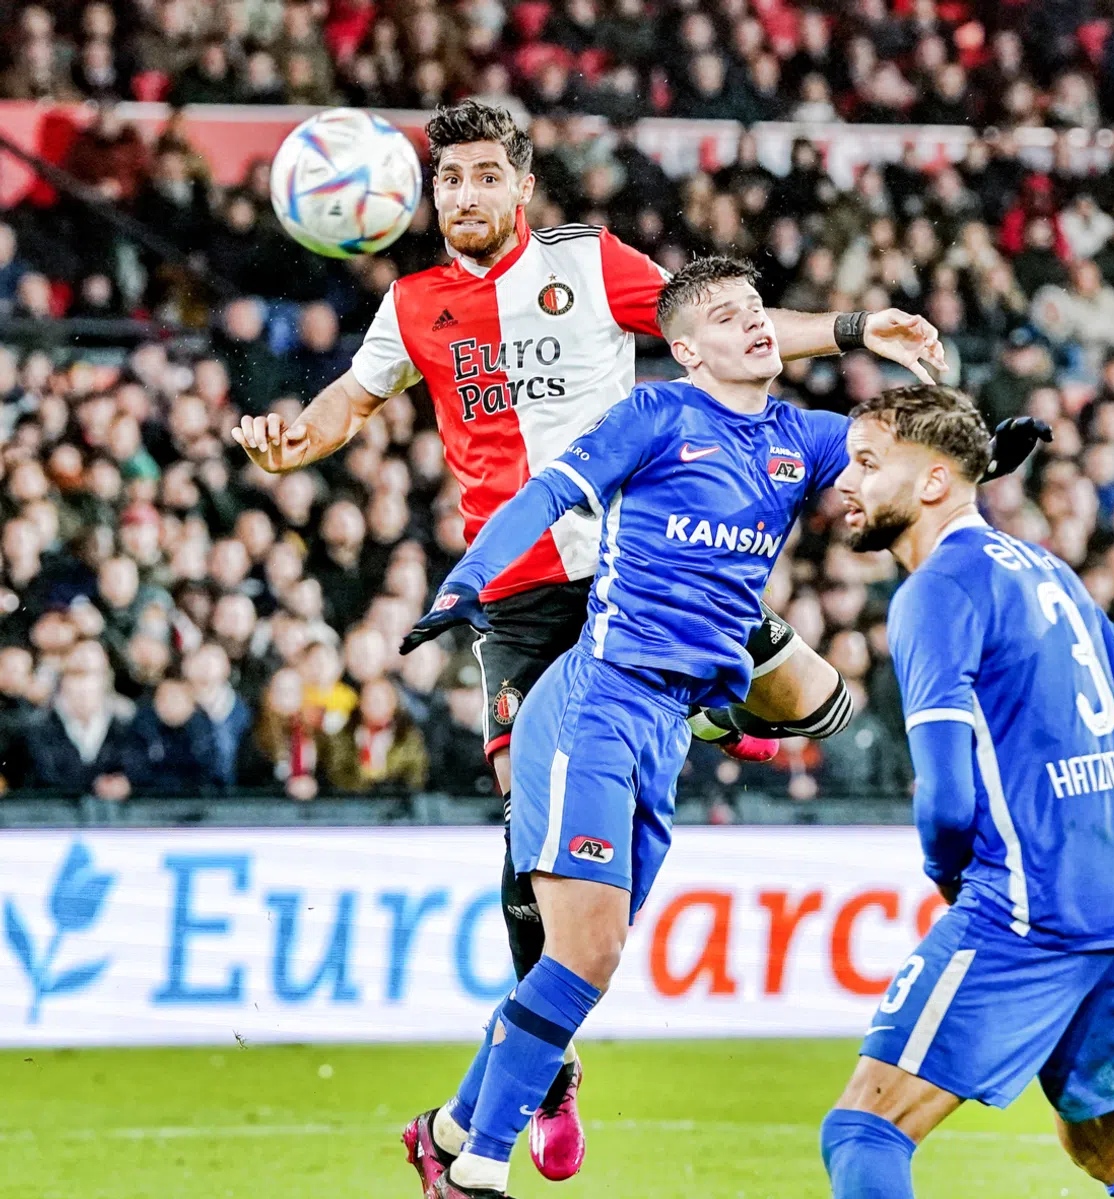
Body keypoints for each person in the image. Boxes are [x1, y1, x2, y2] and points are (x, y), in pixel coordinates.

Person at [229, 98, 946, 1181]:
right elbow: (344, 405)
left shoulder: (589, 263)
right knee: (534, 867)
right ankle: (547, 1074)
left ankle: (708, 710)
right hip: (523, 594)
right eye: (448, 180)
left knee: (819, 705)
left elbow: (720, 325)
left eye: (482, 176)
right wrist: (291, 442)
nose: (463, 195)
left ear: (520, 188)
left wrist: (853, 331)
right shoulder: (413, 304)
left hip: (649, 562)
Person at [391, 259, 1042, 1199]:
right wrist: (467, 582)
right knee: (581, 950)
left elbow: (902, 458)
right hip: (596, 701)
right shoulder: (655, 417)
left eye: (758, 311)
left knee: (590, 957)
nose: (756, 325)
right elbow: (545, 498)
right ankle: (478, 1166)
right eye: (730, 316)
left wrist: (984, 455)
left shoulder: (802, 438)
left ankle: (447, 1128)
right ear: (687, 347)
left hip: (666, 723)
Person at [820, 385, 1114, 1199]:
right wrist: (1088, 748)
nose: (845, 483)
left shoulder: (933, 590)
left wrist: (949, 876)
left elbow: (945, 800)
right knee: (1109, 1153)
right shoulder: (1044, 567)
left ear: (933, 482)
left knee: (864, 1126)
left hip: (1028, 910)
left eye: (866, 464)